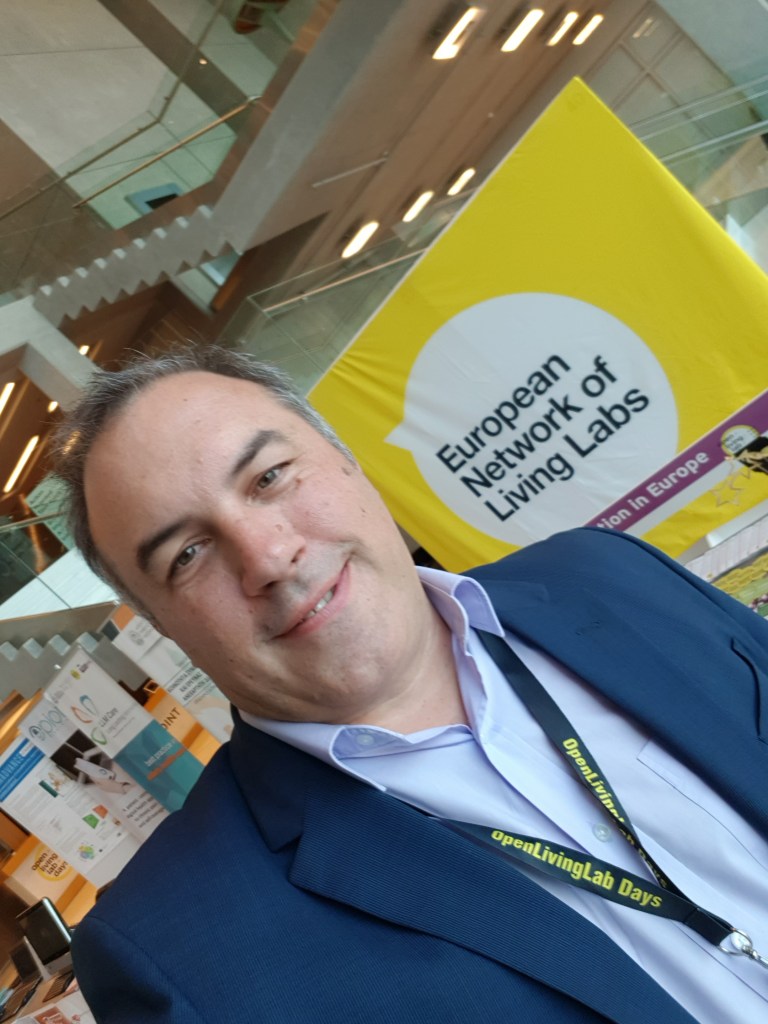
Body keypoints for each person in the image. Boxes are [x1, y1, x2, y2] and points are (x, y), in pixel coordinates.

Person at [51, 344, 768, 1024]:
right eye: (188, 554)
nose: (268, 556)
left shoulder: (605, 575)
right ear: (163, 625)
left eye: (269, 477)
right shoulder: (178, 958)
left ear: (347, 459)